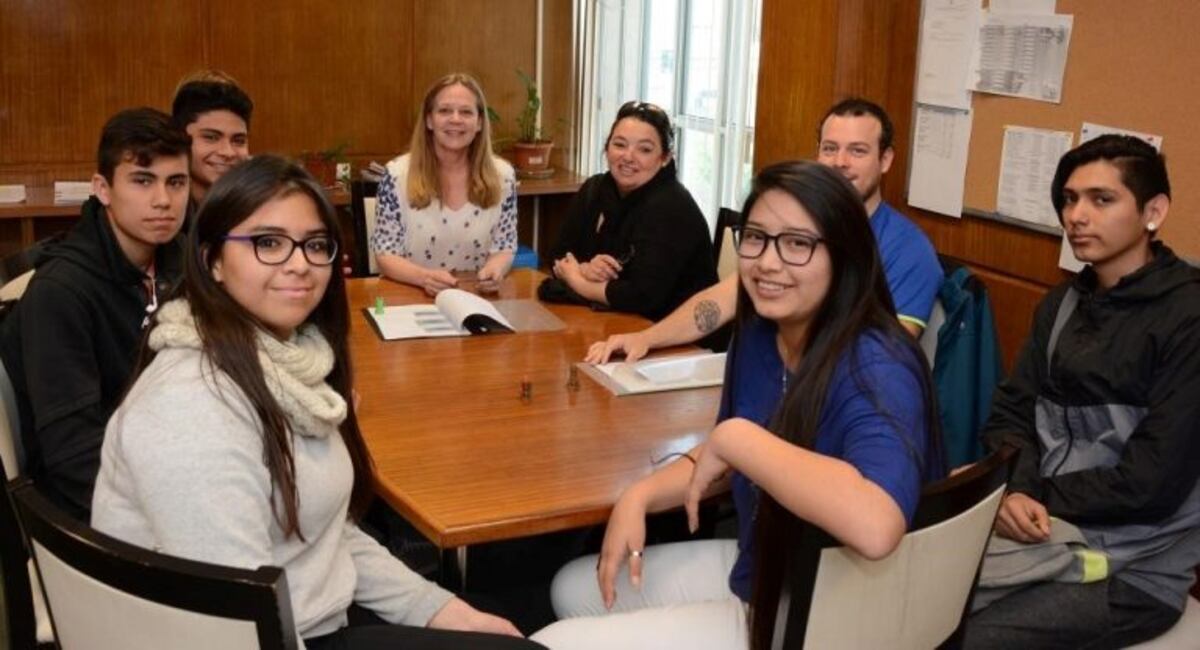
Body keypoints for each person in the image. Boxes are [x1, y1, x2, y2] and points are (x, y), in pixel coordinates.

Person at [90, 156, 542, 650]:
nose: (300, 263)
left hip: (313, 617)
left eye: (316, 245)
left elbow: (322, 534)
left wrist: (441, 610)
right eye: (268, 243)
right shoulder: (190, 406)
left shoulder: (287, 363)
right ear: (211, 260)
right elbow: (235, 623)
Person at [531, 161, 944, 649]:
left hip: (834, 608)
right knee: (573, 589)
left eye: (797, 244)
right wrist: (638, 496)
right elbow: (723, 458)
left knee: (556, 641)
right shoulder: (761, 331)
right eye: (756, 238)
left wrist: (738, 438)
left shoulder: (877, 364)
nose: (767, 262)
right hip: (769, 558)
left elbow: (877, 527)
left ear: (845, 255)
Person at [963, 135, 1200, 648]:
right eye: (1069, 199)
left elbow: (1151, 483)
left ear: (1153, 211)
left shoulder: (1188, 317)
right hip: (1048, 529)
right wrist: (1019, 487)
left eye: (1101, 199)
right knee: (919, 595)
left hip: (1136, 572)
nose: (1076, 215)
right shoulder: (1063, 304)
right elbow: (1011, 411)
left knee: (967, 636)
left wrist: (1032, 496)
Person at [586, 97, 941, 363]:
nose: (840, 162)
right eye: (830, 148)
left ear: (886, 159)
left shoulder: (909, 249)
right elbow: (723, 299)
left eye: (858, 151)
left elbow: (886, 360)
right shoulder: (793, 225)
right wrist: (647, 338)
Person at [0, 107, 190, 520]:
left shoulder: (184, 263)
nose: (163, 200)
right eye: (142, 181)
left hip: (173, 469)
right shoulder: (60, 294)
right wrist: (170, 515)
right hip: (95, 509)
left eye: (176, 182)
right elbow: (73, 457)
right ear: (102, 189)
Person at [546, 100, 717, 321]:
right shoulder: (595, 189)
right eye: (620, 145)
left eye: (644, 149)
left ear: (665, 158)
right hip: (611, 322)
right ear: (607, 148)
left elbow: (643, 295)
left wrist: (578, 281)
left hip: (674, 334)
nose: (628, 156)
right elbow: (557, 255)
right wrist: (585, 269)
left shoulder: (671, 207)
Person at [372, 73, 517, 295]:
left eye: (466, 112)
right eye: (445, 111)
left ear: (479, 123)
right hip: (409, 297)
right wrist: (424, 278)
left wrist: (495, 270)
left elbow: (505, 248)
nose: (456, 119)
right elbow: (385, 255)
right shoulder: (396, 174)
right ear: (429, 120)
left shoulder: (503, 176)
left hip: (475, 299)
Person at [171, 69, 253, 209]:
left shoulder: (259, 208)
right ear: (180, 138)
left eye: (238, 141)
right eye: (211, 137)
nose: (228, 152)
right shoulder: (161, 212)